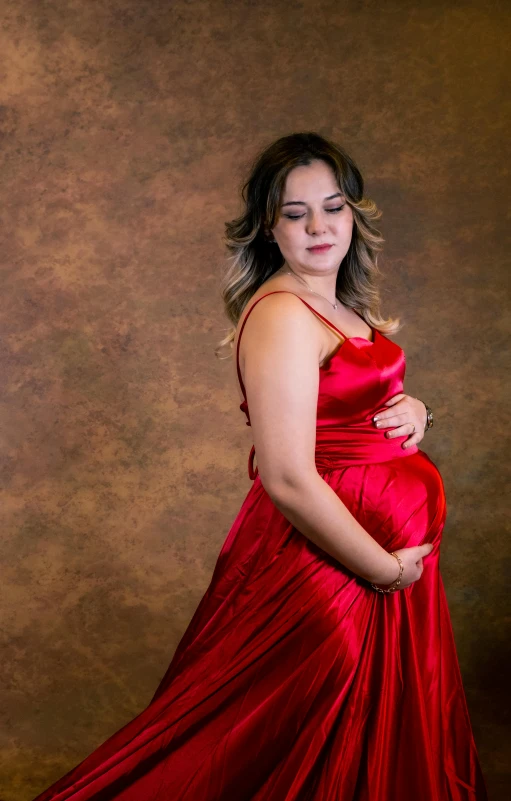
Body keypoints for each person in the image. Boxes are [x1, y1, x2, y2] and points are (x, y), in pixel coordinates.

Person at [32, 132, 489, 800]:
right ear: (267, 227)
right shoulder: (281, 314)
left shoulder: (338, 305)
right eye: (294, 213)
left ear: (353, 213)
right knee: (260, 745)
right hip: (332, 569)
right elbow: (285, 475)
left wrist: (417, 410)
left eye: (331, 207)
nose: (317, 226)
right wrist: (383, 568)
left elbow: (350, 405)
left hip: (379, 567)